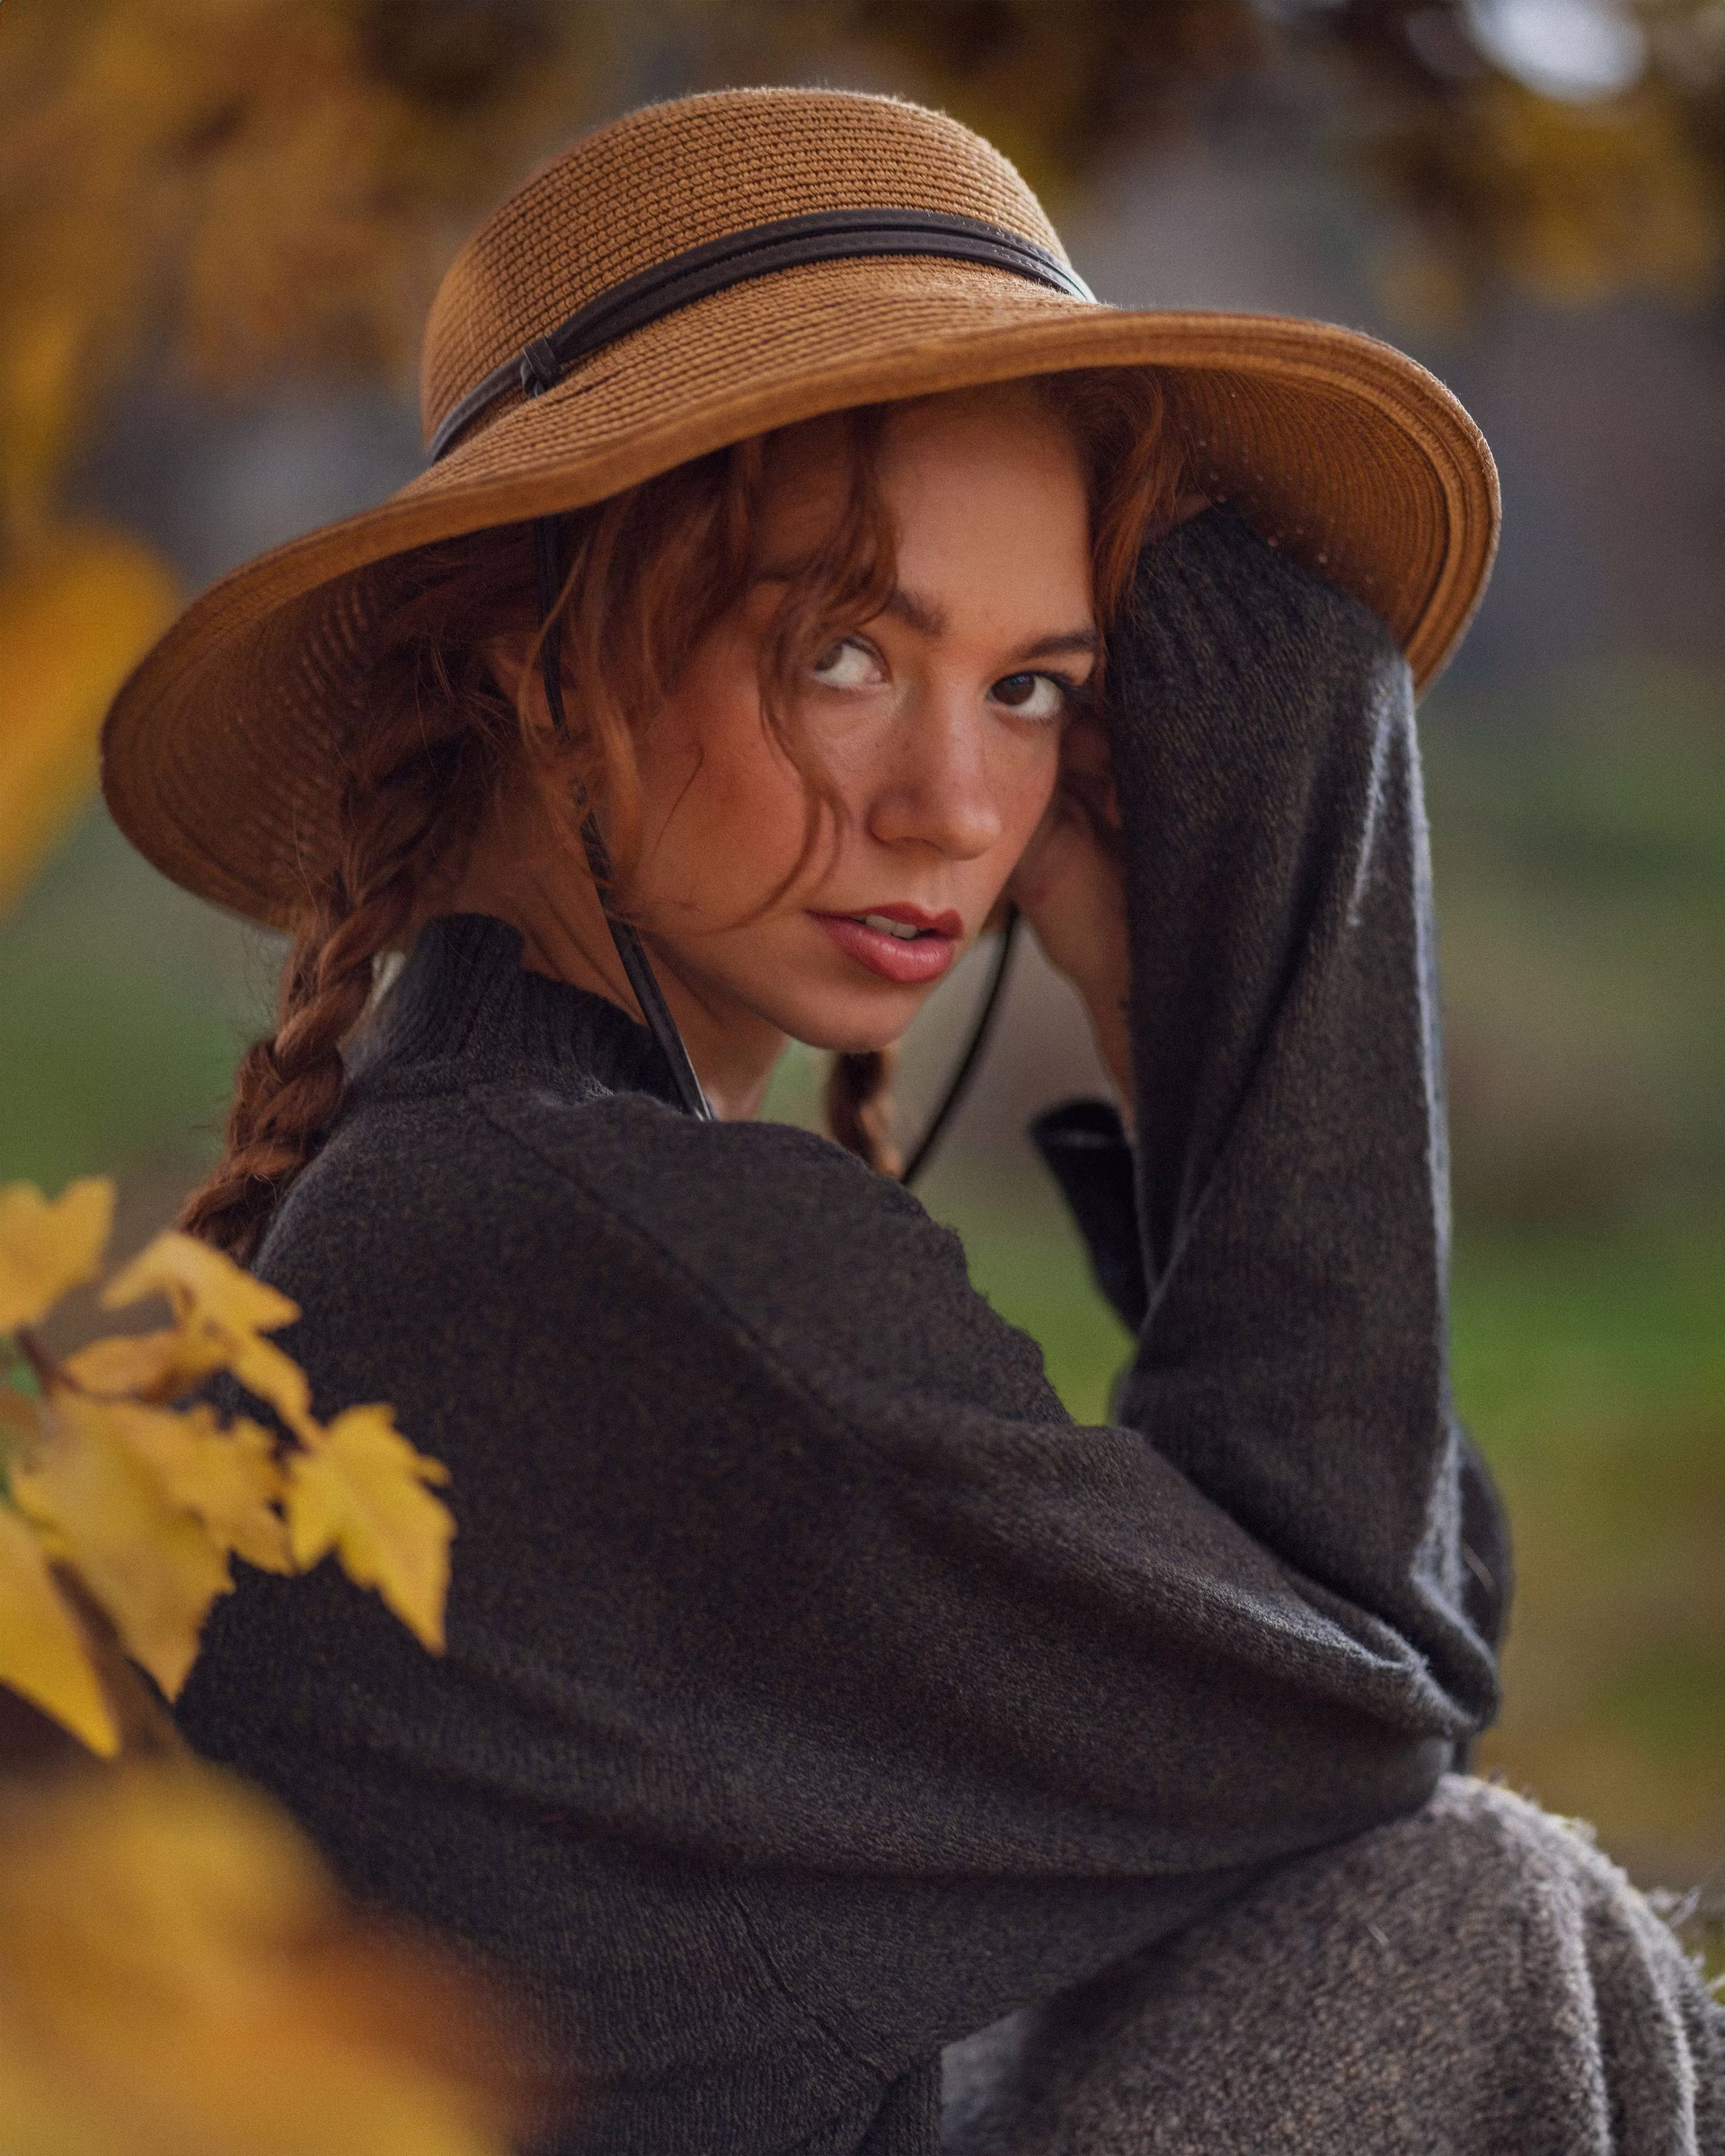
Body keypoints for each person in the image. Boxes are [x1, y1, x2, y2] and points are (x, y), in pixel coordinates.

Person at [103, 86, 1721, 2156]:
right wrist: (1296, 792)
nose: (958, 807)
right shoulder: (593, 1241)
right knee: (1473, 1922)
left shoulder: (476, 1178)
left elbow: (1377, 1626)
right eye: (847, 650)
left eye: (1038, 684)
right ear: (538, 659)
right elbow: (1372, 1692)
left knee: (1505, 1919)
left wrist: (1151, 1012)